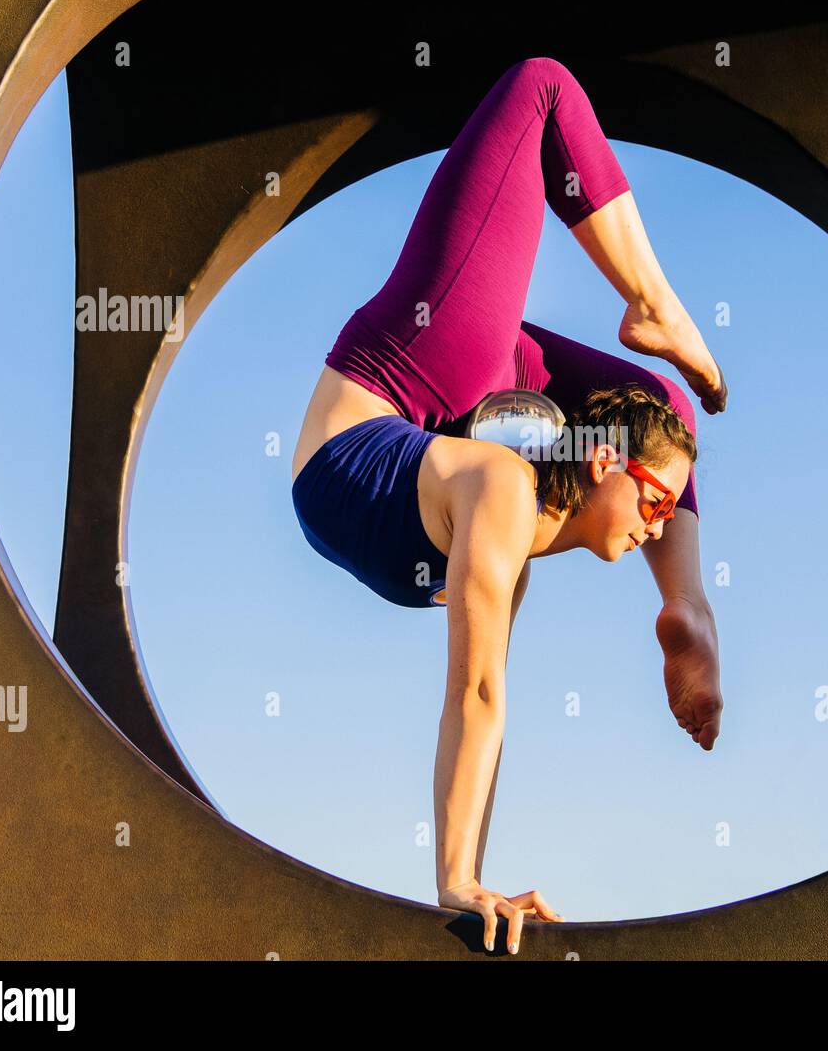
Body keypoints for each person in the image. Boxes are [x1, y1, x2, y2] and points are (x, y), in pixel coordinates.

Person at [290, 57, 726, 954]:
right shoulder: (502, 491)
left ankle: (689, 605)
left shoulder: (509, 524)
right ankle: (651, 302)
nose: (655, 524)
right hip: (399, 379)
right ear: (599, 462)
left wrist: (465, 886)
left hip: (422, 434)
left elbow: (483, 706)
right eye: (653, 505)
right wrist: (456, 879)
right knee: (543, 85)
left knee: (672, 424)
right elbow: (476, 693)